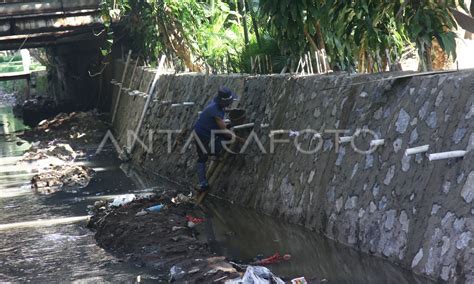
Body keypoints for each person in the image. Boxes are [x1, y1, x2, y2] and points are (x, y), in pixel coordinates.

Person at [193, 87, 244, 191]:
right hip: (201, 133)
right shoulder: (214, 110)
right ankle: (203, 183)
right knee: (203, 156)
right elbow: (224, 130)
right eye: (229, 102)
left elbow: (222, 125)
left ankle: (215, 152)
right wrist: (239, 139)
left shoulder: (218, 106)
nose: (230, 104)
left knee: (223, 138)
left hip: (211, 129)